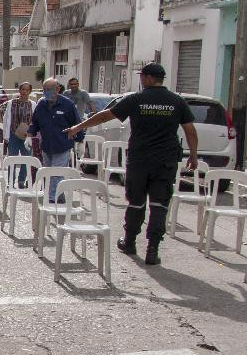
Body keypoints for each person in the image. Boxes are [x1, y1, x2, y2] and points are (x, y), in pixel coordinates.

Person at [66, 63, 197, 266]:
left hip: (140, 159)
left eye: (142, 77)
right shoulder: (176, 101)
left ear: (149, 78)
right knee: (159, 204)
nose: (141, 80)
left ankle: (129, 241)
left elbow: (105, 115)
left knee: (136, 202)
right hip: (165, 161)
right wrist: (194, 156)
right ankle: (153, 248)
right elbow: (190, 130)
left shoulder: (137, 99)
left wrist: (78, 127)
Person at [27, 78, 84, 200]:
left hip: (62, 145)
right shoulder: (41, 104)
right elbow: (35, 122)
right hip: (47, 145)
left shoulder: (67, 104)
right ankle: (59, 196)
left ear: (57, 89)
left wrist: (80, 141)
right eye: (45, 90)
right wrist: (29, 135)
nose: (47, 92)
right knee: (48, 173)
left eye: (50, 90)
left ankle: (52, 198)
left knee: (57, 173)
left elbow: (77, 124)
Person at [0, 82, 36, 187]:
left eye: (26, 90)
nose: (24, 92)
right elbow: (5, 118)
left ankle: (21, 181)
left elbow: (35, 121)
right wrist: (6, 135)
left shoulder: (33, 104)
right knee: (12, 158)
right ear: (19, 90)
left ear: (30, 91)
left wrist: (32, 134)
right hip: (13, 134)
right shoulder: (11, 103)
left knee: (26, 158)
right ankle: (11, 180)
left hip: (26, 136)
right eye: (22, 89)